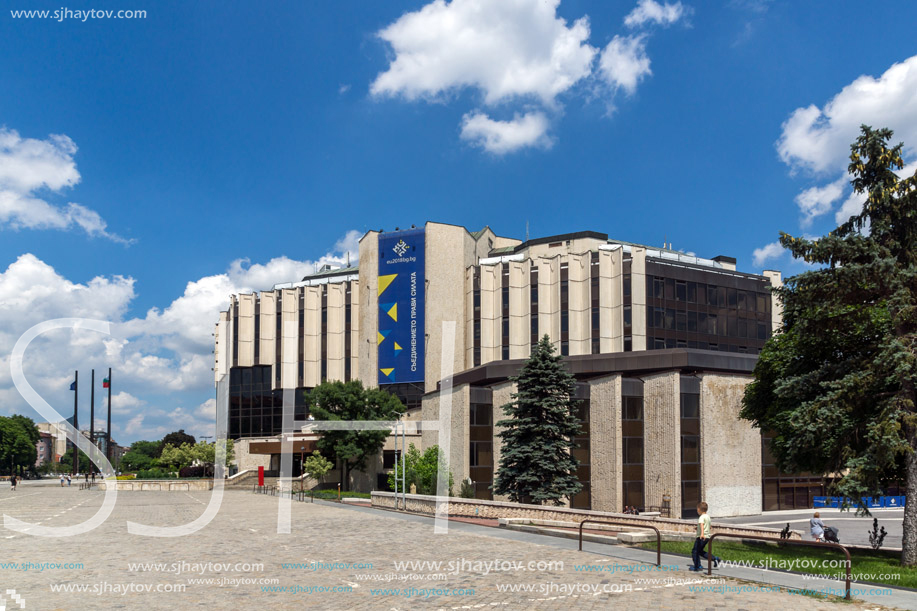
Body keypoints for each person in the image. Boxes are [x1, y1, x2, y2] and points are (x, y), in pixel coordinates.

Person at [689, 501, 721, 571]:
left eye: (697, 509)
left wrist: (702, 534)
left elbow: (702, 525)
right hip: (707, 537)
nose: (697, 511)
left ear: (699, 509)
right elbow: (709, 526)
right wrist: (698, 528)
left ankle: (697, 566)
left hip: (701, 537)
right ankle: (715, 558)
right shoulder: (707, 517)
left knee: (695, 551)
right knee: (700, 551)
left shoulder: (701, 517)